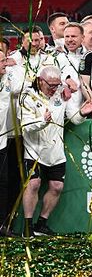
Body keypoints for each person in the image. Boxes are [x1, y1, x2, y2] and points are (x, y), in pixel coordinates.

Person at [20, 66, 92, 236]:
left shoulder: (61, 94)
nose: (55, 88)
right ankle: (27, 227)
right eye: (51, 85)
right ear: (41, 81)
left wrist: (83, 113)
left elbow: (73, 118)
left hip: (56, 150)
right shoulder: (27, 97)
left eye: (57, 84)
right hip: (34, 150)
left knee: (57, 187)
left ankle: (41, 224)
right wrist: (42, 121)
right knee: (33, 184)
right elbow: (25, 127)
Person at [0, 49, 25, 236]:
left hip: (1, 141)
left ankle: (2, 225)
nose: (5, 63)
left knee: (4, 184)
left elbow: (22, 84)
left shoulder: (7, 80)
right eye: (2, 61)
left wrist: (16, 65)